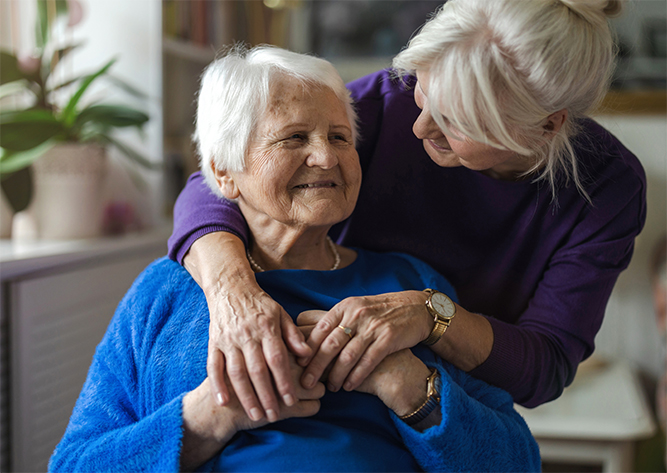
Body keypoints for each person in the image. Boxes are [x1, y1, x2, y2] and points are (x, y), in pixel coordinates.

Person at [49, 46, 540, 472]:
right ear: (224, 172)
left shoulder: (412, 285)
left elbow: (517, 461)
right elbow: (74, 465)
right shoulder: (165, 292)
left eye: (340, 137)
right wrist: (213, 414)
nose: (326, 158)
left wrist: (409, 384)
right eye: (293, 138)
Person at [168, 0, 647, 423]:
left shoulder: (607, 188)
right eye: (424, 91)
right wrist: (235, 296)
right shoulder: (387, 100)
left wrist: (431, 315)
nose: (419, 127)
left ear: (545, 126)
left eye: (456, 119)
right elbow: (217, 183)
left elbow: (545, 366)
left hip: (445, 402)